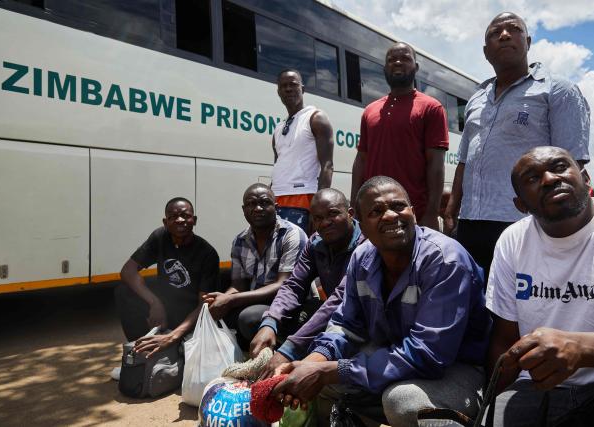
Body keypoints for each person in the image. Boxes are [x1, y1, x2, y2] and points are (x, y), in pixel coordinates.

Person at [273, 176, 491, 426]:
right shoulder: (361, 258)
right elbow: (346, 324)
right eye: (376, 211)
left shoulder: (445, 260)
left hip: (455, 367)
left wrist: (330, 371)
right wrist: (315, 361)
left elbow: (428, 354)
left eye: (398, 206)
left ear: (413, 212)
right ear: (361, 224)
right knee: (321, 382)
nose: (389, 216)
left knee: (402, 402)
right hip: (392, 355)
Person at [486, 147, 594, 426]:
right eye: (532, 178)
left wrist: (581, 348)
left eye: (560, 167)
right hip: (537, 386)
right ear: (521, 205)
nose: (550, 179)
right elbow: (505, 341)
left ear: (586, 177)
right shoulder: (512, 242)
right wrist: (491, 403)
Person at [444, 12, 591, 282]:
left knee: (520, 307)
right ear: (486, 52)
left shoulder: (557, 91)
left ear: (528, 41)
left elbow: (573, 163)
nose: (504, 35)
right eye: (494, 33)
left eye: (514, 29)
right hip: (470, 224)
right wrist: (452, 210)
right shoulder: (476, 98)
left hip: (525, 223)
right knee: (473, 305)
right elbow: (465, 159)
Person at [249, 188, 365, 375]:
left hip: (357, 322)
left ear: (350, 213)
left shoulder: (365, 246)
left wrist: (290, 348)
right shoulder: (315, 243)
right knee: (253, 320)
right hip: (328, 313)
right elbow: (295, 285)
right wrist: (270, 321)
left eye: (333, 214)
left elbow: (340, 299)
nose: (325, 223)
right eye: (318, 218)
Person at [350, 42, 449, 231]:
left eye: (405, 58)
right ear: (385, 67)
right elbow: (361, 160)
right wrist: (355, 206)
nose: (397, 62)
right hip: (373, 213)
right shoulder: (370, 110)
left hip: (413, 215)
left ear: (416, 67)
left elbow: (436, 164)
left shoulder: (431, 107)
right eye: (391, 59)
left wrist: (431, 213)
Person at [205, 183, 307, 348]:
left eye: (264, 203)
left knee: (249, 318)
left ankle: (274, 355)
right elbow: (238, 286)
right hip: (255, 301)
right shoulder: (240, 240)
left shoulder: (292, 235)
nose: (258, 208)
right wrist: (220, 300)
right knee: (215, 313)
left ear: (276, 207)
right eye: (251, 204)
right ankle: (242, 358)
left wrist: (230, 300)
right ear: (244, 209)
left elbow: (284, 285)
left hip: (290, 306)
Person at [115, 197, 219, 355]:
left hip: (188, 313)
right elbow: (128, 271)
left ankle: (171, 344)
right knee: (124, 291)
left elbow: (203, 305)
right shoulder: (160, 237)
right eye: (173, 217)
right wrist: (155, 303)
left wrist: (173, 335)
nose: (180, 220)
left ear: (195, 220)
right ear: (165, 222)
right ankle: (138, 354)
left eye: (185, 215)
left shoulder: (207, 253)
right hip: (164, 305)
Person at [271, 69, 334, 230]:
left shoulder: (316, 118)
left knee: (301, 252)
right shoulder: (278, 128)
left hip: (304, 198)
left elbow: (327, 165)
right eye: (283, 86)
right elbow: (278, 166)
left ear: (303, 89)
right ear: (278, 92)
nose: (288, 89)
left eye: (293, 84)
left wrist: (319, 207)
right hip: (277, 199)